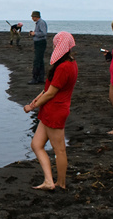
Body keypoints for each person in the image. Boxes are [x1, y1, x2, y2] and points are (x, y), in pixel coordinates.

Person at [23, 31, 78, 190]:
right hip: (49, 110)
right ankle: (48, 181)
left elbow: (52, 93)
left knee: (59, 149)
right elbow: (49, 89)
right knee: (36, 145)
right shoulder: (68, 63)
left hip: (56, 110)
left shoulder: (65, 67)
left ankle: (61, 183)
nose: (54, 46)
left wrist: (31, 106)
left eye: (55, 43)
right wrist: (37, 98)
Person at [28, 11, 48, 84]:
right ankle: (40, 79)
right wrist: (33, 34)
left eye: (32, 17)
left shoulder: (41, 22)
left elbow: (44, 33)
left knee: (37, 61)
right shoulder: (39, 23)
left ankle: (35, 79)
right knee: (40, 61)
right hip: (38, 43)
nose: (32, 18)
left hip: (40, 43)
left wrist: (34, 33)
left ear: (36, 17)